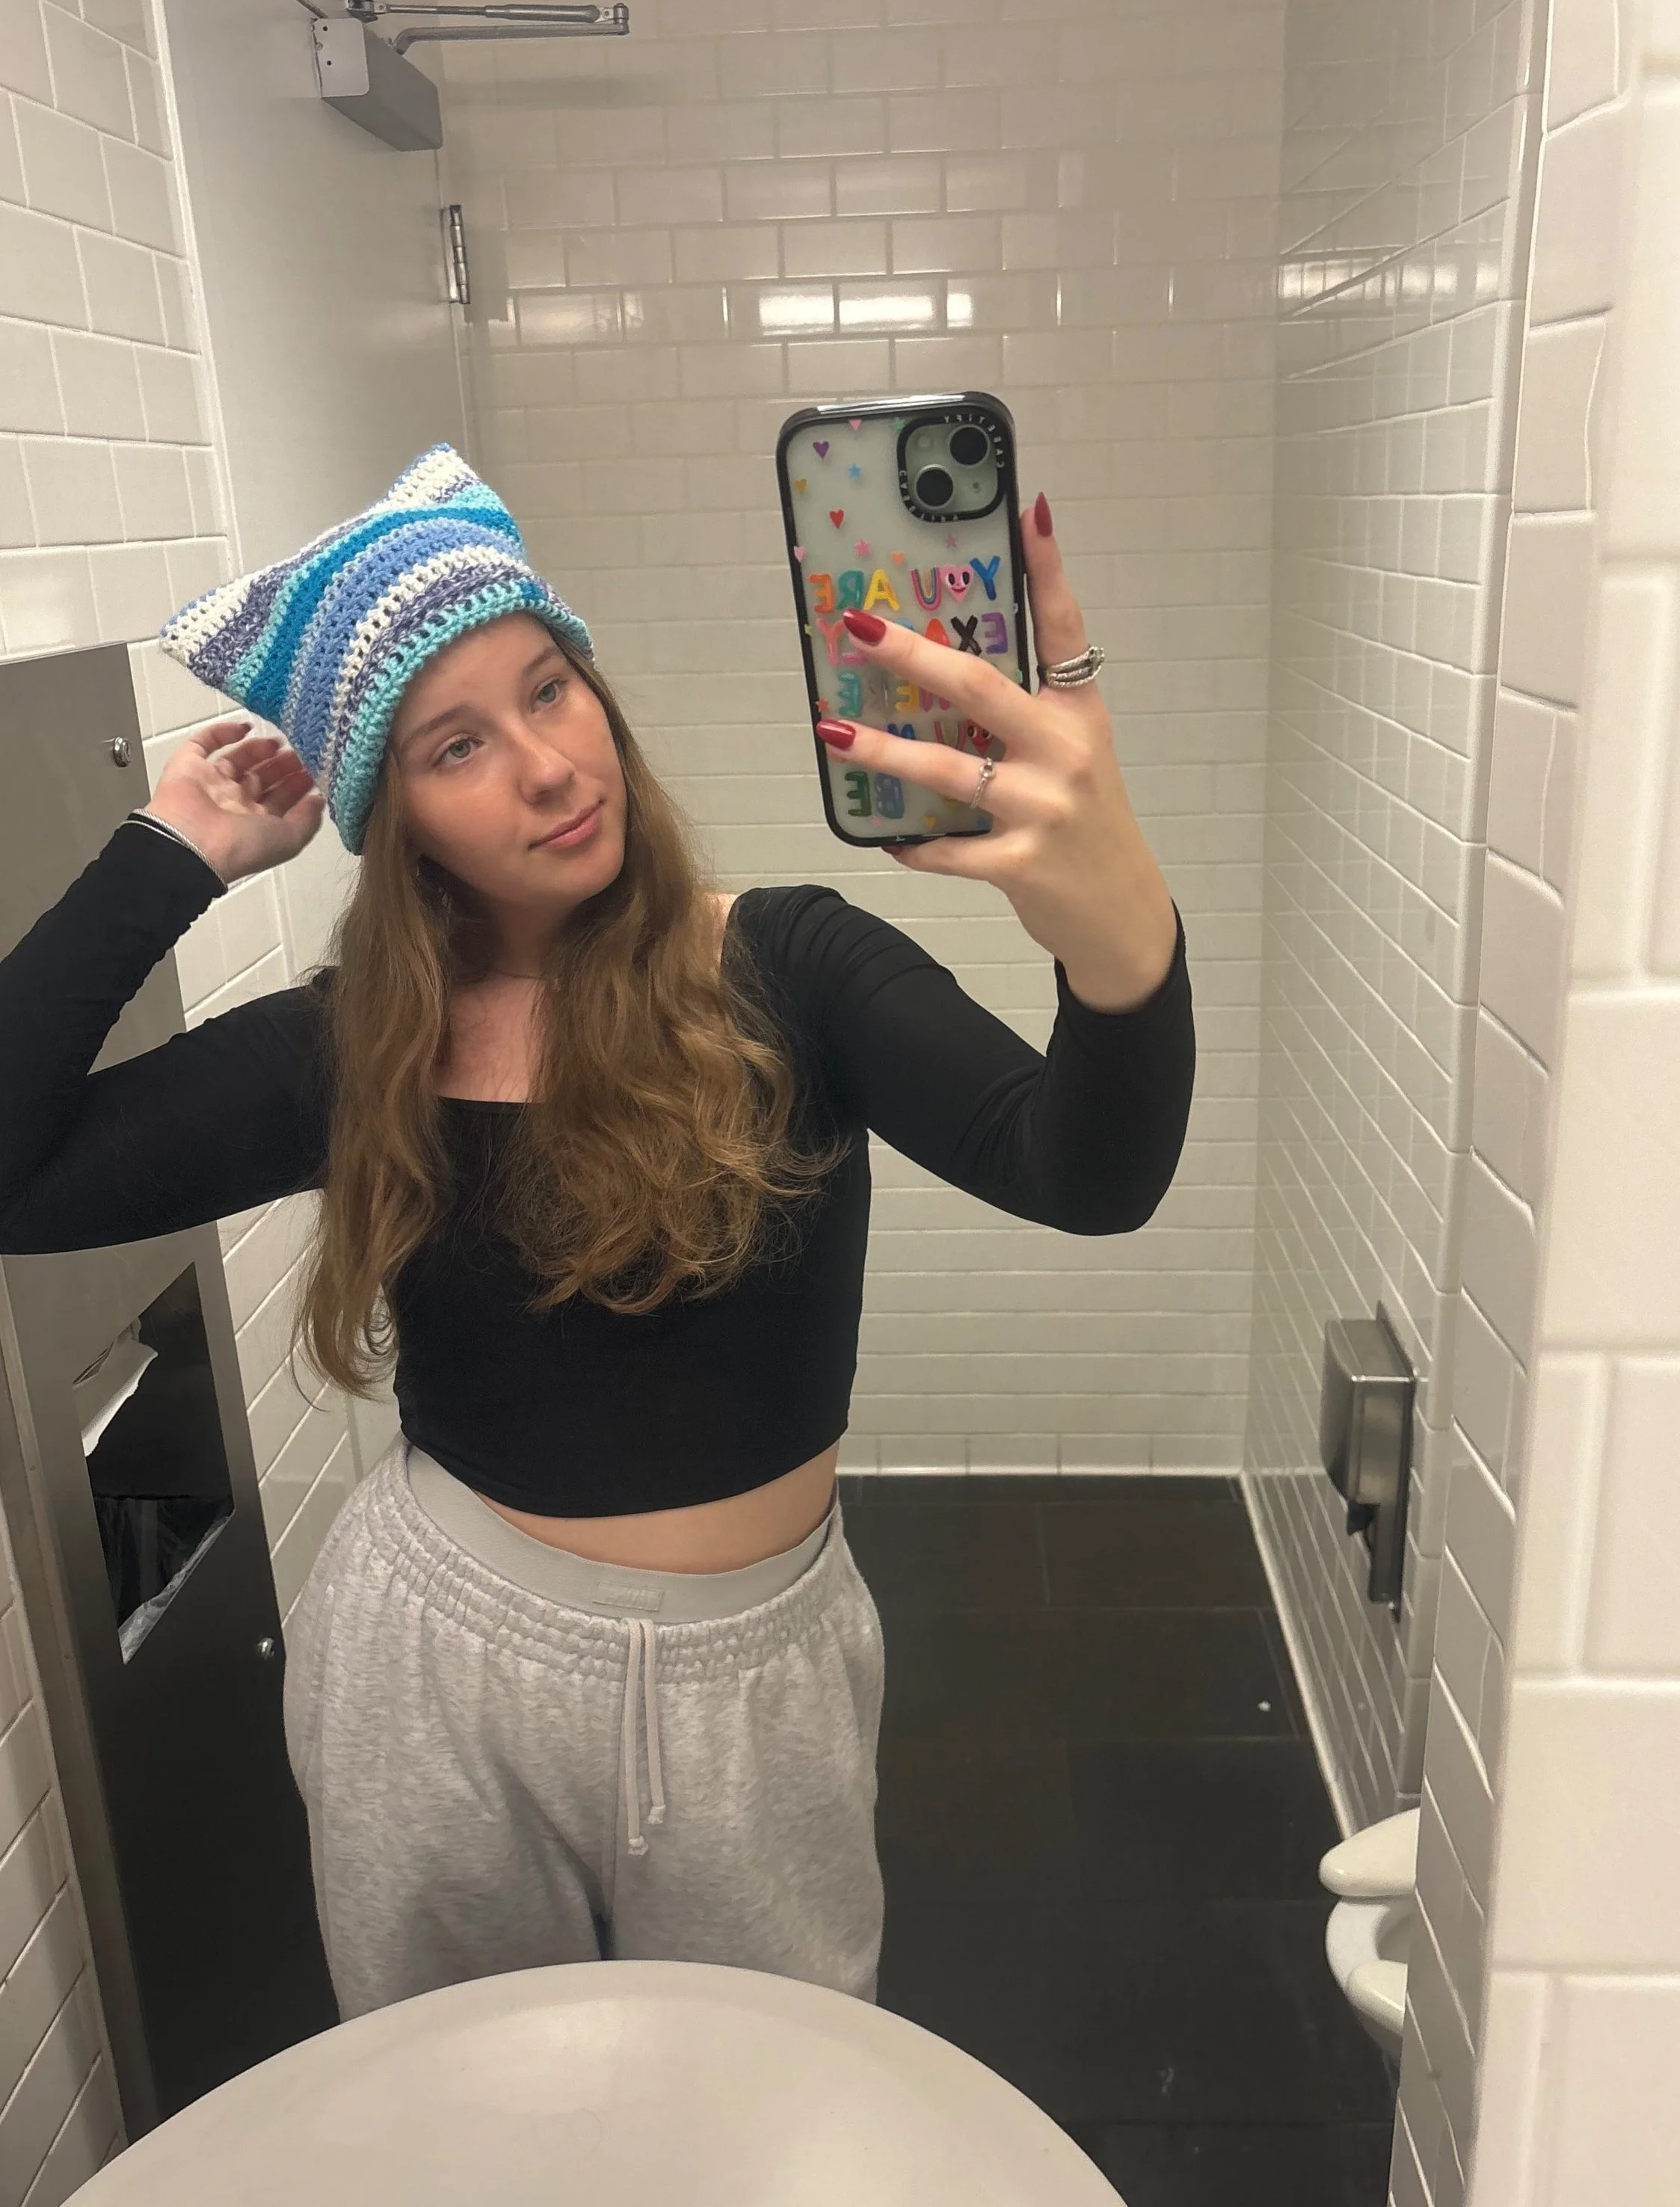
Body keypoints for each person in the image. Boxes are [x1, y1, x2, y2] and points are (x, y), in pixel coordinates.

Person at [0, 444, 1194, 2022]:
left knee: (768, 2094)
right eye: (457, 745)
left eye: (550, 691)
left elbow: (1084, 1172)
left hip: (754, 1679)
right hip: (437, 1667)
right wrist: (170, 857)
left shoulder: (791, 967)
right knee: (472, 2110)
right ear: (397, 821)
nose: (550, 768)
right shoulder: (356, 1046)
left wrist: (1120, 930)